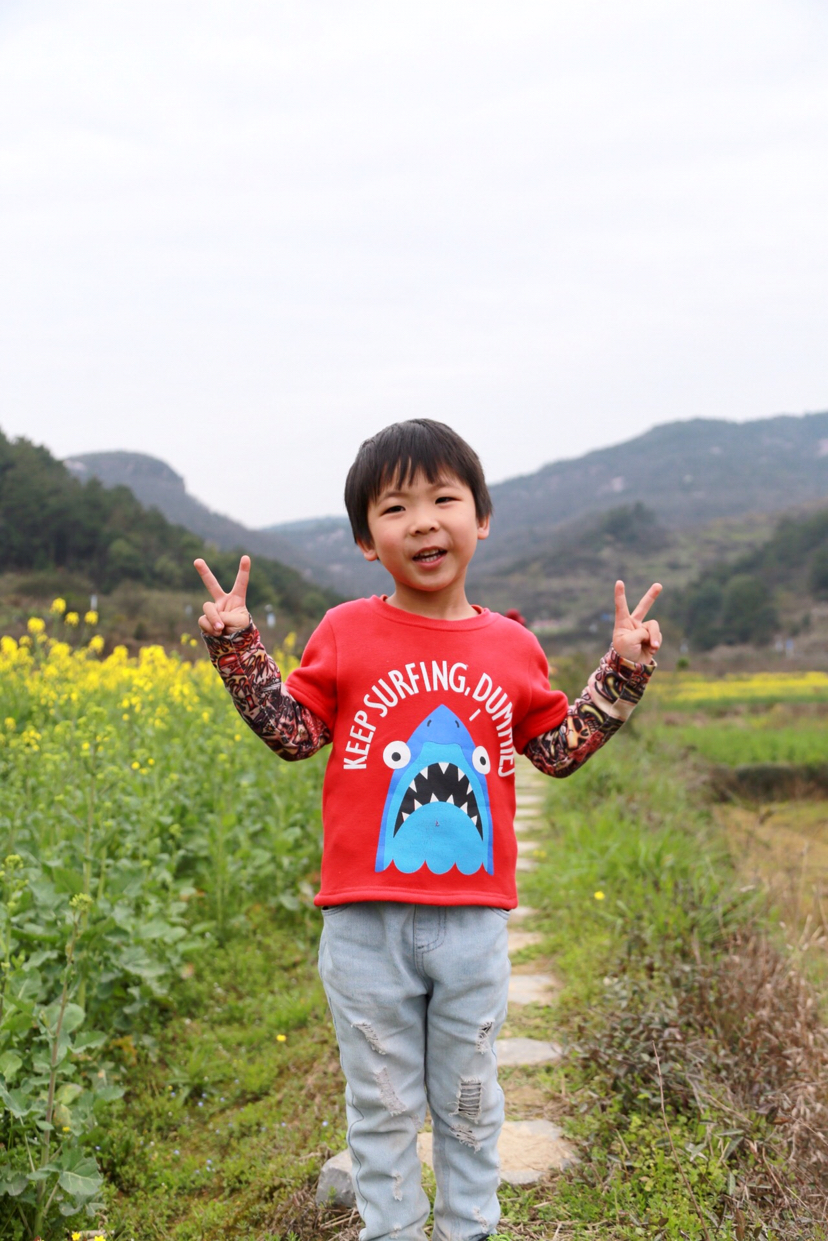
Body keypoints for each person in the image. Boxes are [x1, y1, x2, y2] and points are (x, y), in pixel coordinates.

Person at [195, 419, 661, 1241]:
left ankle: (467, 1228)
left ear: (481, 518)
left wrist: (622, 671)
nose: (422, 521)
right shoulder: (344, 629)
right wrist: (238, 648)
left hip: (473, 924)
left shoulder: (513, 645)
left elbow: (556, 749)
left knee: (470, 1099)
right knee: (380, 1104)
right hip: (363, 923)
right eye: (394, 507)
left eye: (443, 498)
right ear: (365, 539)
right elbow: (295, 732)